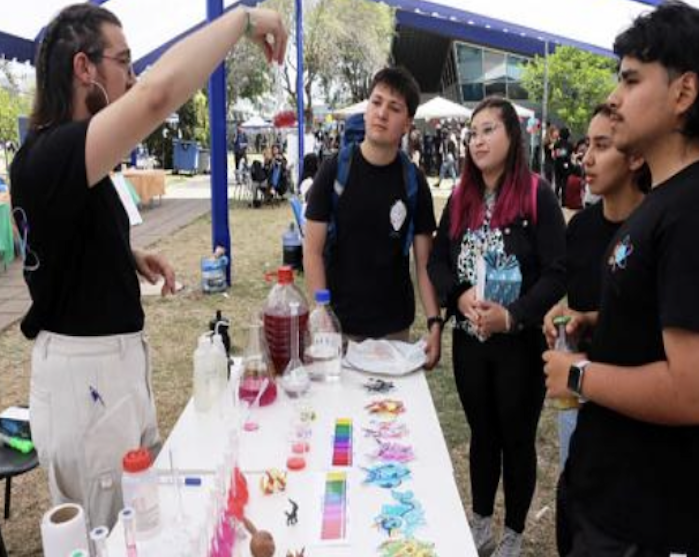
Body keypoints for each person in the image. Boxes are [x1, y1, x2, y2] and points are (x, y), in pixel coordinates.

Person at [9, 3, 286, 530]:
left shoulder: (68, 159)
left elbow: (61, 240)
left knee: (140, 521)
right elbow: (157, 96)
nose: (132, 77)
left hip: (107, 368)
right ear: (84, 67)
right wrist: (241, 20)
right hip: (87, 378)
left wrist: (127, 256)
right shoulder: (53, 154)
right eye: (125, 62)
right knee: (114, 533)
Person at [543, 3, 699, 555]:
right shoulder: (663, 201)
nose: (616, 97)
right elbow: (662, 325)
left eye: (632, 80)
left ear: (683, 94)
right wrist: (595, 322)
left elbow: (690, 389)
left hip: (641, 518)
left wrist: (580, 376)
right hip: (602, 491)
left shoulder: (688, 210)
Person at [428, 96, 566, 557]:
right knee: (482, 435)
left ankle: (514, 533)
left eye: (488, 130)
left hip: (519, 348)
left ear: (512, 135)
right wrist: (460, 294)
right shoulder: (462, 197)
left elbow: (557, 270)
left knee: (516, 440)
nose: (477, 139)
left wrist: (514, 315)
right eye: (473, 132)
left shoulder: (534, 193)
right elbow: (438, 262)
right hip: (470, 344)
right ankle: (481, 523)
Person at [304, 66, 441, 369]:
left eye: (394, 108)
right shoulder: (333, 169)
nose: (382, 113)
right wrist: (321, 311)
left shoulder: (413, 181)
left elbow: (423, 263)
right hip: (338, 326)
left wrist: (434, 322)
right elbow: (311, 251)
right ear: (366, 110)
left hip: (394, 330)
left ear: (407, 123)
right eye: (376, 102)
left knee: (387, 413)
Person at [544, 103, 648, 473]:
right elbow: (578, 301)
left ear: (636, 156)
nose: (586, 159)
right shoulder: (580, 228)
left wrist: (589, 317)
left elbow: (651, 324)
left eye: (602, 146)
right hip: (576, 394)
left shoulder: (659, 226)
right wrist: (560, 318)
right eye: (586, 145)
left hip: (637, 403)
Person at [553, 127, 573, 203]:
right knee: (565, 183)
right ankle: (564, 201)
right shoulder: (569, 144)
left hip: (557, 164)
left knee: (557, 182)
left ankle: (555, 200)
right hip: (566, 164)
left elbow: (555, 154)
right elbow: (570, 154)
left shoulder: (557, 144)